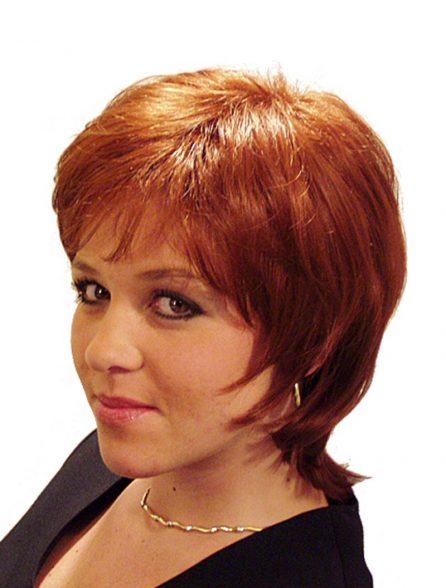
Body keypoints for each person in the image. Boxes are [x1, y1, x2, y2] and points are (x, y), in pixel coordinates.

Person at [0, 67, 406, 587]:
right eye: (94, 291)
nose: (103, 351)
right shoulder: (116, 457)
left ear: (313, 336)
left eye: (174, 303)